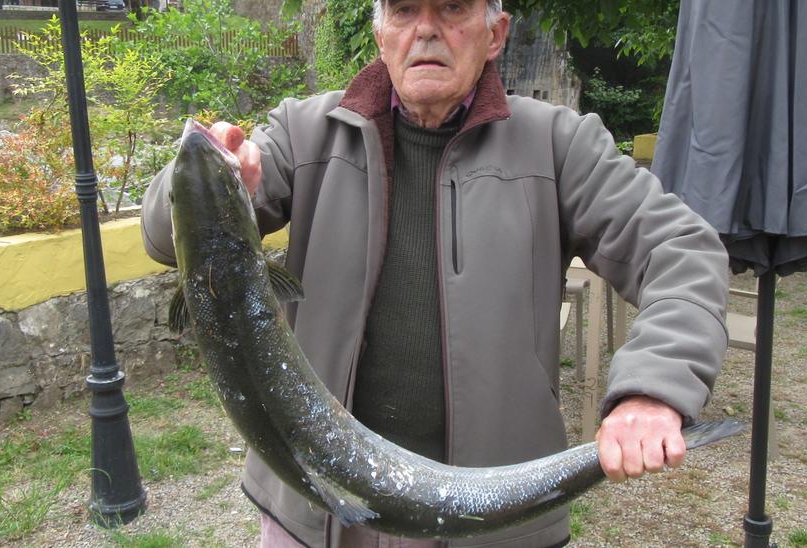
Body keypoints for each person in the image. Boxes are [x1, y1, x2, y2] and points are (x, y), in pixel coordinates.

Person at [141, 1, 730, 546]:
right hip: (317, 509)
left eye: (451, 7)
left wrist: (653, 387)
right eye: (404, 8)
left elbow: (681, 249)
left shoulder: (559, 145)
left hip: (492, 517)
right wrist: (200, 186)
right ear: (380, 33)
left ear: (495, 33)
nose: (426, 28)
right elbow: (170, 242)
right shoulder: (302, 133)